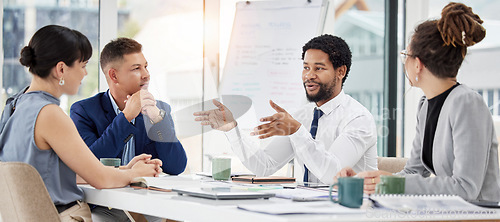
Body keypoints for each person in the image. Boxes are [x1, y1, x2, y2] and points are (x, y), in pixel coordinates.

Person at [337, 2, 500, 202]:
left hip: (478, 214)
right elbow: (413, 172)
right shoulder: (426, 105)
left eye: (405, 55)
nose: (403, 61)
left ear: (417, 64)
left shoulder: (467, 103)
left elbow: (466, 188)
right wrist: (367, 180)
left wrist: (392, 184)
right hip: (446, 212)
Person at [0, 25, 162, 221]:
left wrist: (126, 170)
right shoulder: (49, 114)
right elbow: (99, 179)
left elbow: (58, 173)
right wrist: (133, 174)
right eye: (83, 65)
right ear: (61, 69)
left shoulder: (14, 107)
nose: (85, 74)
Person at [194, 34, 378, 184]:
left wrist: (297, 131)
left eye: (319, 68)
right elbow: (264, 166)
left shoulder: (358, 118)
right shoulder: (302, 116)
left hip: (347, 213)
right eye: (306, 67)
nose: (309, 76)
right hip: (303, 209)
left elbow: (334, 175)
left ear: (341, 72)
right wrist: (232, 130)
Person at [70, 37, 187, 221]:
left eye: (146, 66)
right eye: (136, 68)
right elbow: (91, 164)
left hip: (145, 202)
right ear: (114, 76)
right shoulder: (84, 111)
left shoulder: (159, 109)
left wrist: (157, 120)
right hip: (103, 204)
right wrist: (126, 117)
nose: (146, 74)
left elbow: (176, 166)